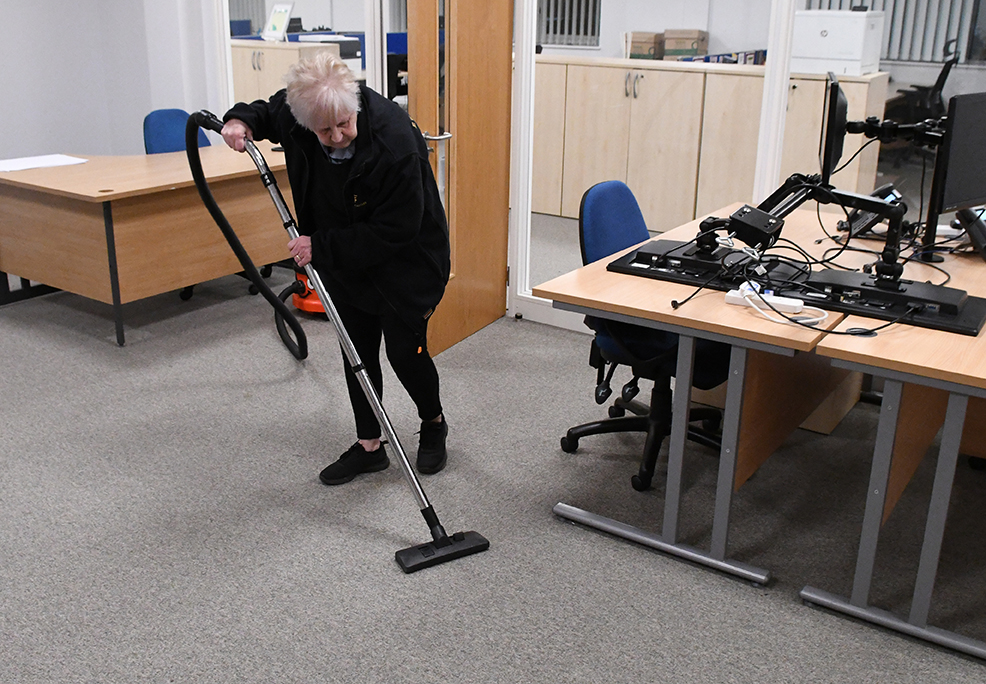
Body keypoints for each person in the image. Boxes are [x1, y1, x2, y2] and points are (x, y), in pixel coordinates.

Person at [221, 52, 451, 485]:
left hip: (406, 265)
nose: (338, 135)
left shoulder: (394, 141)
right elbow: (267, 112)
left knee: (405, 354)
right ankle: (370, 446)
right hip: (344, 262)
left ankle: (434, 422)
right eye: (324, 131)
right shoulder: (301, 113)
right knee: (356, 351)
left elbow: (398, 228)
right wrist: (240, 119)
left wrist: (320, 245)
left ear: (354, 105)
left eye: (344, 123)